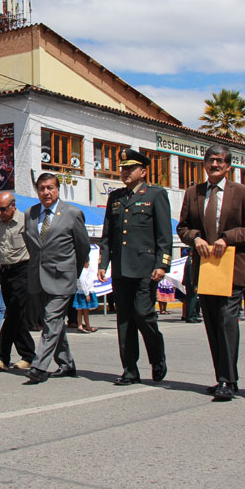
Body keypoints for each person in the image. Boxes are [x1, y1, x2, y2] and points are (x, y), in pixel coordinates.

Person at [177, 145, 245, 401]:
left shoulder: (243, 192)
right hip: (205, 267)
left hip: (231, 267)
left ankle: (228, 379)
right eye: (210, 160)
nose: (215, 164)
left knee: (227, 321)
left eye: (220, 161)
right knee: (213, 324)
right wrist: (195, 239)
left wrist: (227, 238)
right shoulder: (193, 193)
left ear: (228, 166)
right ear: (204, 164)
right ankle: (223, 377)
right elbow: (182, 227)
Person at [98, 148, 172, 386]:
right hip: (121, 267)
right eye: (123, 168)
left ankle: (157, 356)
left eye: (130, 168)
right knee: (125, 320)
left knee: (144, 315)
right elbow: (107, 234)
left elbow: (164, 234)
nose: (125, 172)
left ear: (143, 171)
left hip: (145, 268)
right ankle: (130, 369)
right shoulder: (116, 197)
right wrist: (103, 263)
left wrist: (162, 264)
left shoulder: (156, 194)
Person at [22, 173, 91, 383]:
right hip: (39, 276)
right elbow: (32, 244)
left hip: (62, 276)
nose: (46, 192)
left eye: (50, 188)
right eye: (42, 188)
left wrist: (72, 271)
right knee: (54, 323)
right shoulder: (30, 213)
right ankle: (66, 363)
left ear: (58, 189)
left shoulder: (72, 213)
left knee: (51, 319)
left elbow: (82, 247)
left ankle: (39, 366)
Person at [0, 192, 36, 372]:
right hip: (5, 271)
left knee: (13, 312)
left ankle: (1, 356)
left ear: (13, 206)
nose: (0, 212)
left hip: (23, 269)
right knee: (16, 315)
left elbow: (35, 247)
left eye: (3, 209)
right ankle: (28, 354)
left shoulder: (26, 221)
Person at [75, 247, 100, 333]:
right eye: (88, 262)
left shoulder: (84, 271)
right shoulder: (83, 272)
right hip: (83, 293)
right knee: (82, 310)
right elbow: (82, 282)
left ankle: (84, 325)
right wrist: (87, 294)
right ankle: (82, 325)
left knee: (83, 310)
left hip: (83, 292)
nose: (89, 264)